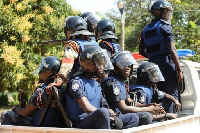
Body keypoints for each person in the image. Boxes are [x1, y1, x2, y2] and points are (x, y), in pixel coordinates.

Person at [65, 46, 139, 129]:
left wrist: (113, 116)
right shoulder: (76, 82)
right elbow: (88, 109)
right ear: (89, 64)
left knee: (133, 118)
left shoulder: (96, 83)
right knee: (103, 112)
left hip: (100, 118)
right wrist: (107, 114)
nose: (102, 67)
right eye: (99, 63)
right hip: (81, 122)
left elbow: (105, 106)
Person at [139, 0, 184, 113]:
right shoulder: (165, 27)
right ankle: (171, 120)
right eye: (166, 11)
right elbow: (172, 50)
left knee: (159, 97)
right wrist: (179, 70)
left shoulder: (145, 30)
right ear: (159, 12)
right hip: (167, 66)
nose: (169, 14)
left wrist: (153, 57)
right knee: (172, 97)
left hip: (152, 67)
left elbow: (141, 51)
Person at [101, 51, 165, 126]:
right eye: (123, 64)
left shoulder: (121, 83)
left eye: (128, 65)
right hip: (115, 116)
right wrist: (148, 109)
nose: (127, 67)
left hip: (123, 115)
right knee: (146, 116)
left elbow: (130, 102)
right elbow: (124, 108)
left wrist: (149, 105)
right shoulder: (112, 83)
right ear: (114, 67)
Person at [1, 56, 65, 127]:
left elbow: (25, 112)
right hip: (52, 124)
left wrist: (15, 109)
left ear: (47, 71)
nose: (40, 71)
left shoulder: (41, 90)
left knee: (5, 114)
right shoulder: (60, 88)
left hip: (38, 124)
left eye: (42, 68)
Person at [58, 16, 98, 83]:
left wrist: (58, 81)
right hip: (95, 83)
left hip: (78, 84)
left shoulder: (73, 44)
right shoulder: (95, 43)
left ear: (70, 30)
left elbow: (67, 66)